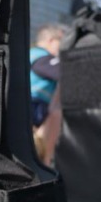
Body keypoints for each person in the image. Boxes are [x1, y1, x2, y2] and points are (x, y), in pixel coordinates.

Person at [29, 23, 70, 166]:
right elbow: (64, 73)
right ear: (52, 41)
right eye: (63, 42)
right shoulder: (41, 57)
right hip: (34, 105)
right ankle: (44, 161)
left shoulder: (31, 54)